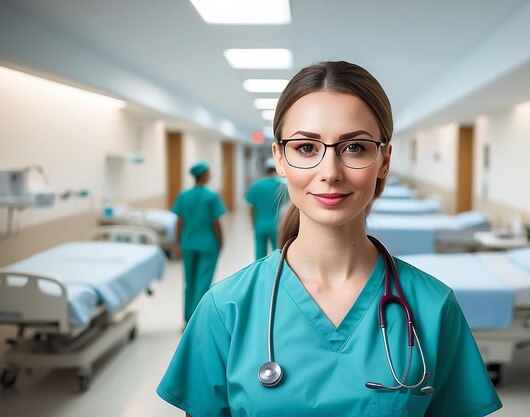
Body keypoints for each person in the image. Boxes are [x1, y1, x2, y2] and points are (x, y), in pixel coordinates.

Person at [157, 61, 502, 416]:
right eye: (306, 147)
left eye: (355, 148)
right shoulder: (226, 308)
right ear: (279, 158)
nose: (330, 173)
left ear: (384, 159)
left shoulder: (432, 306)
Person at [171, 161, 226, 324]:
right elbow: (215, 223)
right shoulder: (211, 196)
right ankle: (197, 320)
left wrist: (177, 242)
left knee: (189, 282)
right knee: (203, 281)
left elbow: (179, 222)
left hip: (188, 243)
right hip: (208, 244)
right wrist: (221, 241)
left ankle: (187, 319)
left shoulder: (183, 196)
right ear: (203, 175)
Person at [246, 157, 289, 259]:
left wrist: (253, 223)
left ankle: (261, 273)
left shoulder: (256, 186)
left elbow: (251, 208)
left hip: (259, 224)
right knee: (277, 252)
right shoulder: (281, 186)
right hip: (276, 225)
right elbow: (288, 207)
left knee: (260, 253)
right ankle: (276, 273)